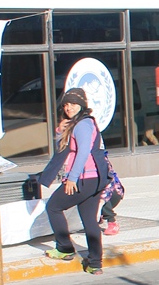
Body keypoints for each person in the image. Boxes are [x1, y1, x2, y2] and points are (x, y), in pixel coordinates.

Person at [36, 87, 108, 274]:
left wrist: (72, 178)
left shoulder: (82, 124)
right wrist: (62, 128)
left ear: (82, 105)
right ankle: (95, 263)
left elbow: (83, 151)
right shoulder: (81, 123)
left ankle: (65, 248)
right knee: (89, 220)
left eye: (73, 104)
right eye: (66, 104)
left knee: (53, 207)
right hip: (95, 178)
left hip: (83, 178)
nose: (69, 108)